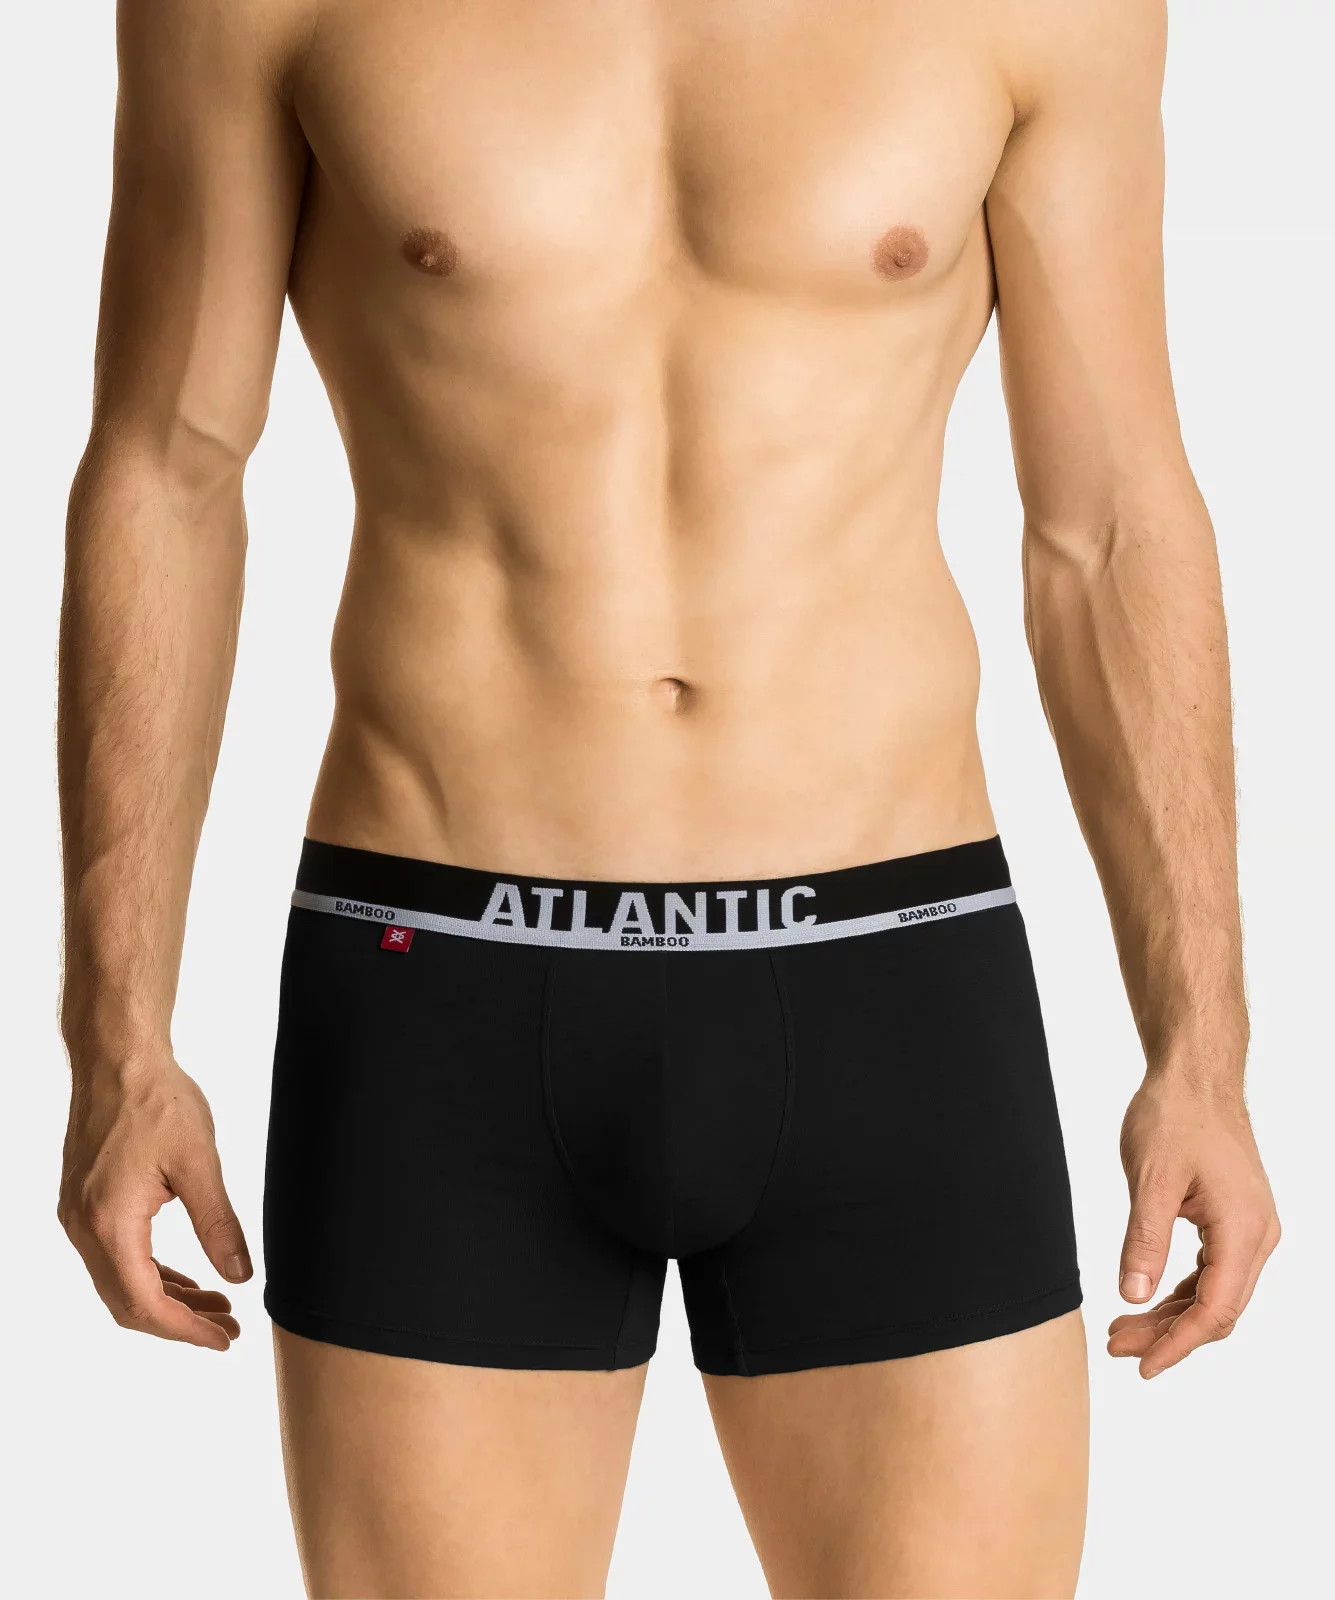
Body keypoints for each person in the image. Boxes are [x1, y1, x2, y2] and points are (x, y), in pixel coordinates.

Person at [55, 1, 1280, 1595]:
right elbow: (169, 469)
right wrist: (117, 1039)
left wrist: (1203, 1049)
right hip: (443, 982)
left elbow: (1107, 520)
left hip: (891, 979)